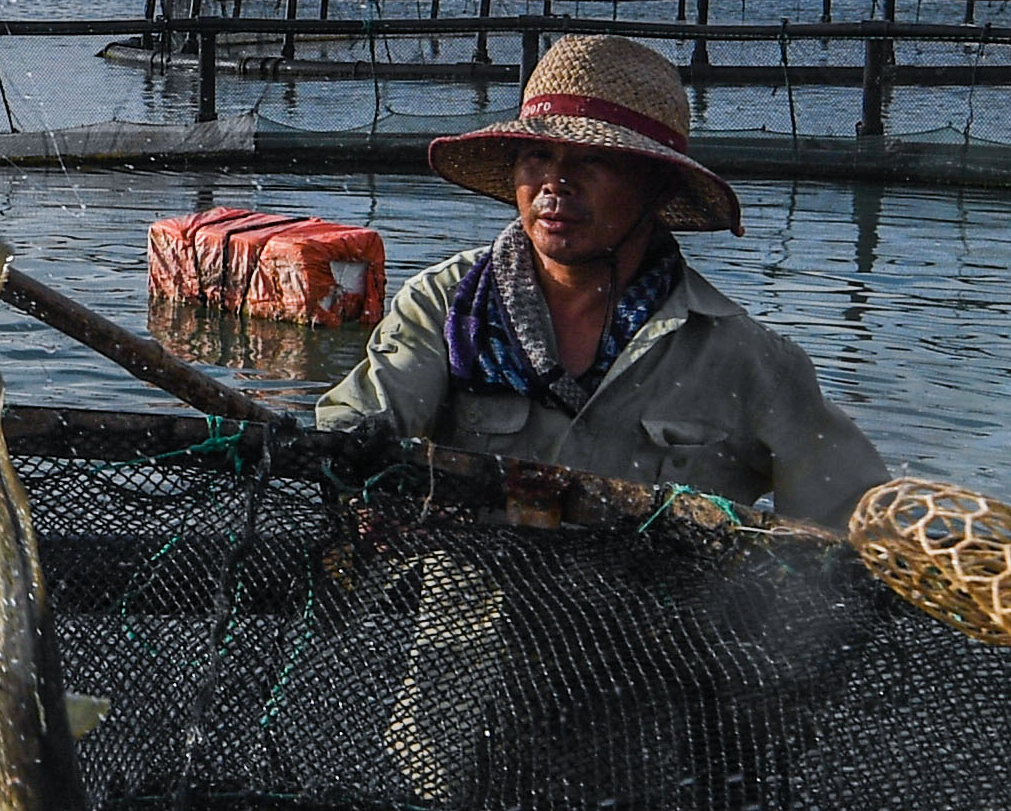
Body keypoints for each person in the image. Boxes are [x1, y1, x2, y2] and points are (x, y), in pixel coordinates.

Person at [317, 32, 886, 522]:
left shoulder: (744, 359)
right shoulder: (447, 307)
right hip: (468, 641)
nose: (554, 184)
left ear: (657, 187)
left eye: (593, 160)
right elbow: (364, 420)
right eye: (537, 156)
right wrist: (361, 467)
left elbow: (852, 515)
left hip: (656, 645)